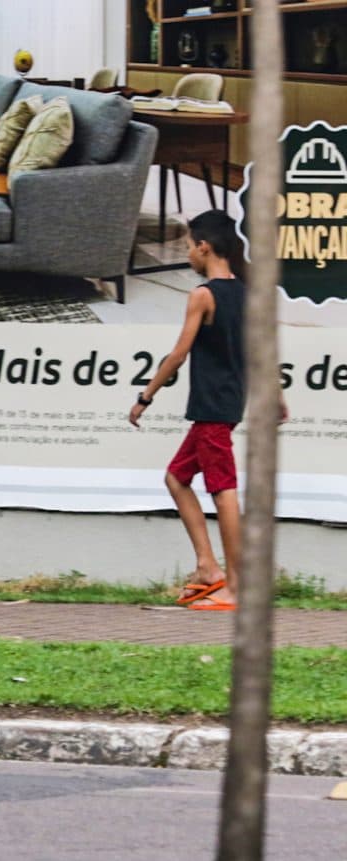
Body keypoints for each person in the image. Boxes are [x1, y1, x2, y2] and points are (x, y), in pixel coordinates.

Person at [128, 209, 265, 612]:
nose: (187, 254)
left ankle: (237, 588)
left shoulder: (203, 295)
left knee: (223, 493)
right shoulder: (244, 292)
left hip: (211, 408)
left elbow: (177, 355)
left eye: (188, 246)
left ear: (204, 247)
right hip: (224, 405)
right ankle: (207, 567)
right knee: (176, 478)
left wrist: (145, 396)